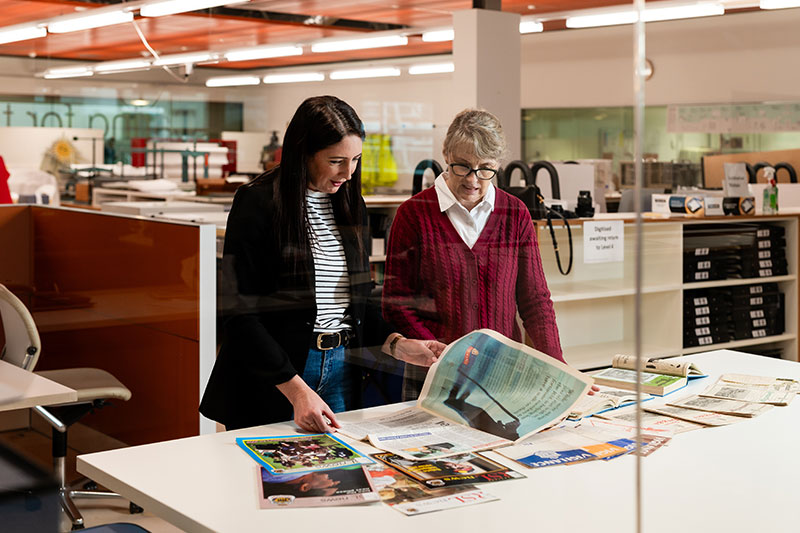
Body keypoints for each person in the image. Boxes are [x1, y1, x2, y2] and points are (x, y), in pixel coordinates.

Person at [200, 96, 445, 432]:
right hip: (277, 379)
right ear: (304, 153)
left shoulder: (350, 203)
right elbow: (240, 313)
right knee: (276, 481)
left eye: (356, 159)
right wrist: (296, 390)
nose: (348, 172)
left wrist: (397, 344)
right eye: (335, 161)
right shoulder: (258, 202)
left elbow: (356, 300)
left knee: (341, 479)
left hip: (343, 369)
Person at [382, 108, 566, 401]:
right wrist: (442, 355)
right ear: (446, 154)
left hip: (502, 377)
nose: (474, 179)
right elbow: (396, 304)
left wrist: (557, 368)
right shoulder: (413, 214)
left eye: (485, 169)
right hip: (433, 377)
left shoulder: (514, 214)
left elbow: (535, 301)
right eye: (462, 166)